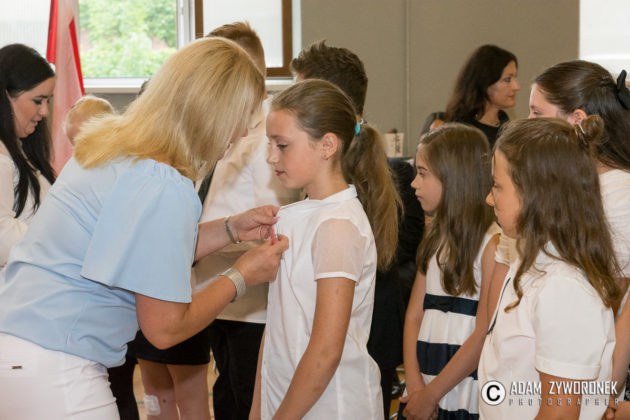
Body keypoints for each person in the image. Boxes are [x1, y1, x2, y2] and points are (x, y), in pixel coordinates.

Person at [0, 37, 289, 420]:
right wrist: (242, 275)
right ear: (215, 113)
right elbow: (165, 329)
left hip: (17, 346)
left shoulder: (110, 148)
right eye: (241, 119)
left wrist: (231, 228)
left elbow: (146, 249)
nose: (240, 134)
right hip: (60, 364)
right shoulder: (163, 182)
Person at [133, 22, 299, 420]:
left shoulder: (265, 138)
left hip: (245, 303)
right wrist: (231, 236)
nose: (239, 131)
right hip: (210, 288)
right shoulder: (172, 163)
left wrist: (233, 235)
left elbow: (274, 222)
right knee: (226, 393)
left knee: (241, 396)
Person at [250, 79, 398, 419]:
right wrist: (259, 409)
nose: (270, 156)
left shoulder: (338, 225)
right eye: (269, 144)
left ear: (327, 145)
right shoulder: (296, 216)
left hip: (332, 406)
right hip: (286, 399)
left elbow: (326, 352)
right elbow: (276, 327)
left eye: (282, 145)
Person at [291, 40, 424, 418]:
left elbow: (395, 259)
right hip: (318, 338)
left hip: (364, 339)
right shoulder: (308, 173)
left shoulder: (392, 179)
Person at [479, 116, 619, 420]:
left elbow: (559, 414)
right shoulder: (530, 262)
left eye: (498, 186)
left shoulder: (564, 288)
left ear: (537, 195)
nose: (489, 198)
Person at [397, 124, 500, 420]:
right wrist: (416, 386)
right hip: (424, 384)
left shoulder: (491, 244)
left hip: (463, 390)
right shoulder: (434, 239)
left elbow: (483, 333)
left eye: (423, 173)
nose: (414, 183)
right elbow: (414, 316)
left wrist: (432, 394)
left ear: (455, 178)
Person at [0, 43, 56, 268]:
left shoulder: (18, 147)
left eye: (48, 101)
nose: (44, 112)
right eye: (37, 101)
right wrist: (60, 246)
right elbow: (2, 234)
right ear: (6, 96)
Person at [445, 44, 520, 146]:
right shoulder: (464, 131)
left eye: (515, 78)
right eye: (507, 79)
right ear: (485, 82)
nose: (516, 87)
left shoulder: (503, 118)